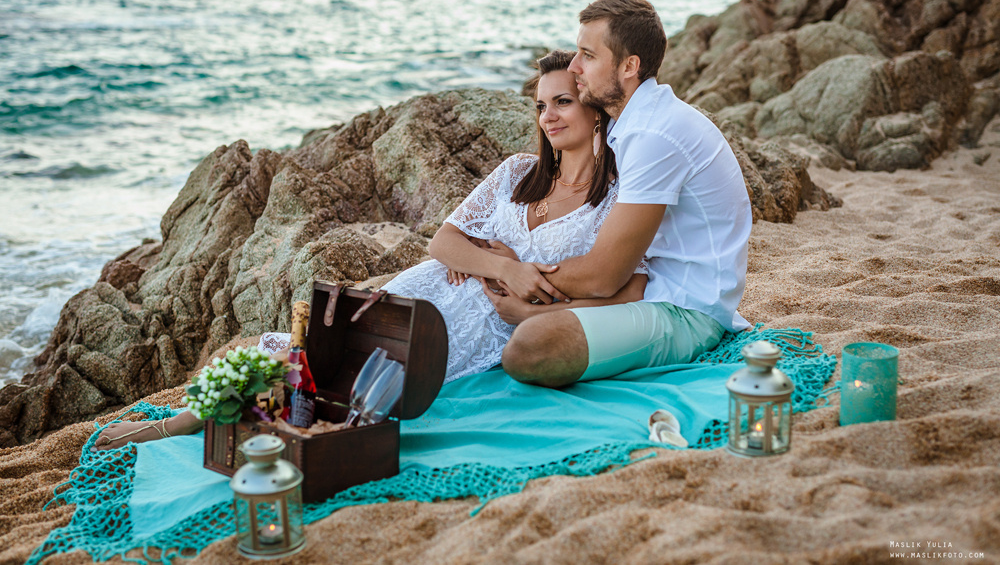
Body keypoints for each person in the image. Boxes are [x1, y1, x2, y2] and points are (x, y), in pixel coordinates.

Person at [93, 49, 648, 449]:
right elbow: (444, 242)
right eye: (540, 104)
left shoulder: (617, 196)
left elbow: (628, 289)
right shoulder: (517, 172)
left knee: (348, 381)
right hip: (428, 284)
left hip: (484, 326)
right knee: (324, 339)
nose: (547, 115)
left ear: (596, 109)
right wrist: (498, 263)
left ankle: (202, 419)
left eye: (562, 102)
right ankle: (185, 421)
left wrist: (523, 302)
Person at [489, 0, 753, 388]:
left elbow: (603, 275)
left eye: (588, 56)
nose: (575, 67)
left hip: (685, 309)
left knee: (530, 346)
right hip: (649, 289)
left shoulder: (654, 134)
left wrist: (517, 275)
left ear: (630, 66)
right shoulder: (629, 123)